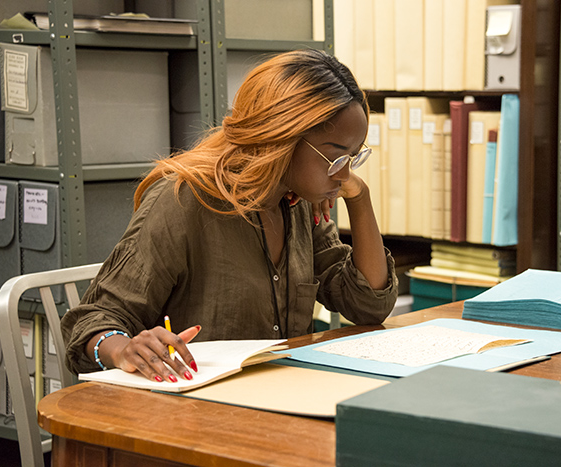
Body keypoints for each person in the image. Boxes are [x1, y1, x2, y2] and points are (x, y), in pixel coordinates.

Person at [61, 49, 399, 384]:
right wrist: (121, 348)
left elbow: (368, 306)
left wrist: (360, 198)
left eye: (354, 159)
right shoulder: (183, 201)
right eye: (336, 159)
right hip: (196, 413)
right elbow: (93, 320)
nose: (344, 175)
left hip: (275, 395)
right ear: (281, 138)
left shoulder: (297, 202)